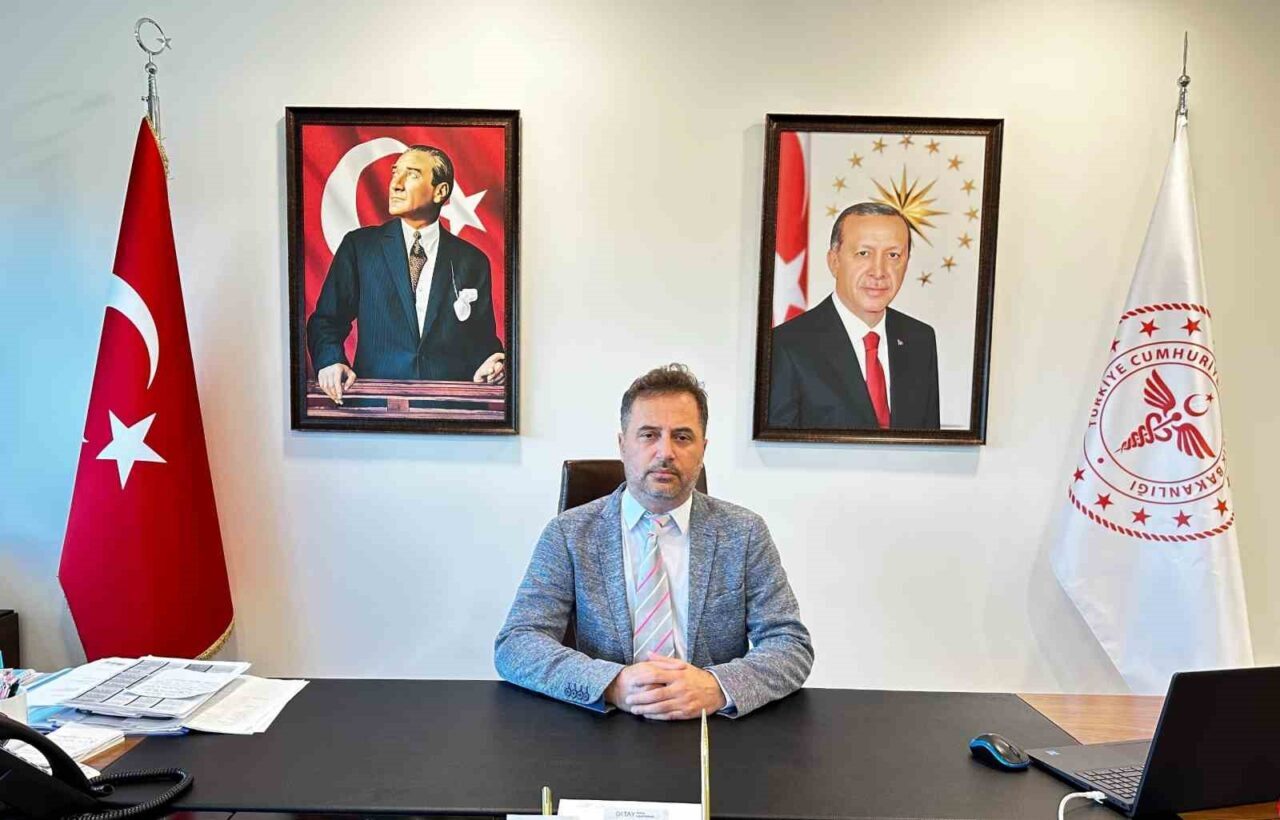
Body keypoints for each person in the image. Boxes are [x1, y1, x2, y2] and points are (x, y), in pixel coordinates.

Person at [495, 364, 812, 719]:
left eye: (682, 437)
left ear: (703, 448)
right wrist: (611, 684)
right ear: (622, 445)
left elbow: (790, 645)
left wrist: (717, 687)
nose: (665, 452)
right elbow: (517, 644)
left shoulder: (745, 533)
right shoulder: (569, 534)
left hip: (711, 727)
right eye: (648, 435)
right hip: (605, 724)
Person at [306, 145, 506, 404]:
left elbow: (482, 341)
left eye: (411, 174)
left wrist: (493, 363)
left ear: (440, 191)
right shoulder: (360, 247)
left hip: (449, 409)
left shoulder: (472, 260)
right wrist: (330, 361)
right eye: (394, 173)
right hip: (374, 406)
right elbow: (326, 321)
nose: (396, 184)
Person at [768, 202, 940, 430]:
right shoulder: (785, 345)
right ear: (834, 262)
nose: (878, 272)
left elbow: (929, 445)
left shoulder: (920, 340)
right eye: (863, 253)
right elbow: (778, 448)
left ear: (906, 263)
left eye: (893, 255)